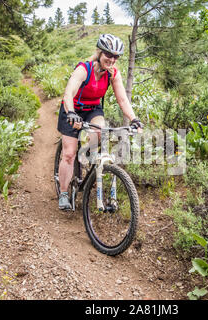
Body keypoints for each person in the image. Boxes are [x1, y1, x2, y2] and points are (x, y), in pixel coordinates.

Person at [57, 34, 143, 210]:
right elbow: (68, 93)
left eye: (115, 56)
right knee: (69, 153)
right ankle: (64, 193)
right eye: (108, 55)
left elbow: (122, 100)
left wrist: (134, 119)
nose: (111, 60)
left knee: (100, 131)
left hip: (93, 109)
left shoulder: (113, 74)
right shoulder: (84, 69)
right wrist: (72, 114)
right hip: (72, 108)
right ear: (99, 53)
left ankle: (88, 156)